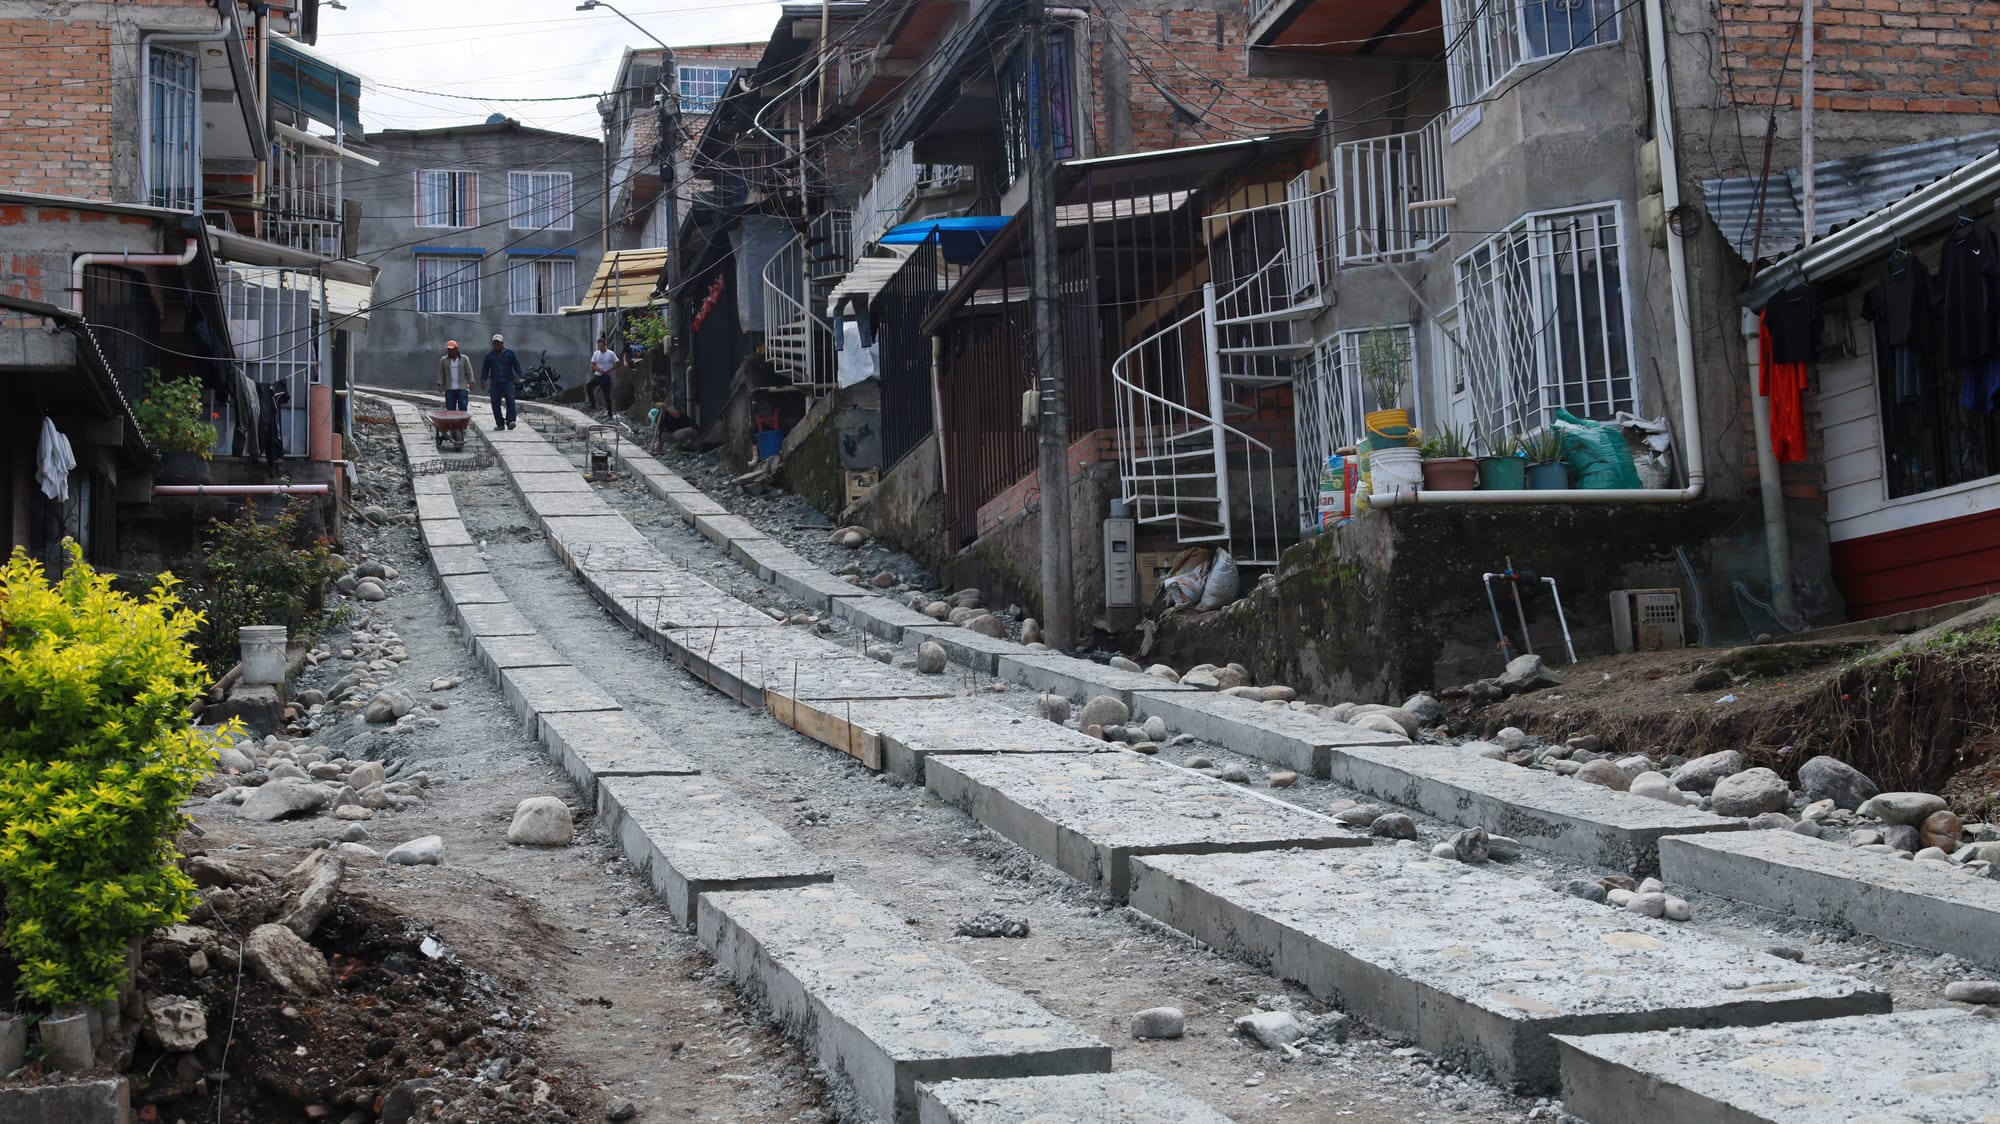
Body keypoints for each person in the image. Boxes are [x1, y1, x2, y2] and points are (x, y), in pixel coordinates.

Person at [480, 333, 523, 430]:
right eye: (494, 343)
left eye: (498, 343)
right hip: (495, 382)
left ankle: (511, 421)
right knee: (495, 403)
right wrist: (483, 380)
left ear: (502, 343)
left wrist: (518, 374)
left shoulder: (509, 353)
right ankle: (500, 423)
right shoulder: (489, 356)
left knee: (510, 400)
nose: (496, 345)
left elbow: (516, 365)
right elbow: (485, 369)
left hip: (508, 381)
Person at [585, 336, 624, 418]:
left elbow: (618, 363)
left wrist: (609, 370)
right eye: (598, 346)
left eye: (601, 346)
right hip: (598, 374)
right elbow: (592, 364)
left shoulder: (610, 353)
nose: (600, 348)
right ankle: (593, 404)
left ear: (604, 345)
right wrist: (598, 369)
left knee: (606, 395)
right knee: (588, 385)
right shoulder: (596, 353)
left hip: (606, 376)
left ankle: (610, 413)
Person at [436, 339, 472, 412]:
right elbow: (441, 373)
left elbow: (469, 371)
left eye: (452, 349)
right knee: (450, 407)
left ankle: (462, 421)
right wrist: (440, 384)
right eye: (449, 349)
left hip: (462, 386)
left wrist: (471, 382)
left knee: (463, 405)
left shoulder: (464, 359)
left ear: (456, 349)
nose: (450, 351)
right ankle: (452, 422)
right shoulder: (444, 360)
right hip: (449, 387)